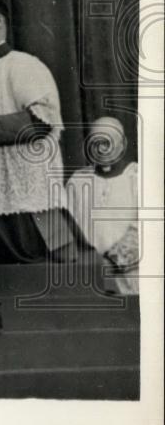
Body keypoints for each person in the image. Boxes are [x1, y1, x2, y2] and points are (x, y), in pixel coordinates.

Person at [0, 0, 90, 263]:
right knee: (2, 271)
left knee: (65, 264)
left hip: (31, 184)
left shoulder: (24, 64)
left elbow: (45, 121)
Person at [66, 117, 140, 295]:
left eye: (108, 142)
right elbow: (68, 227)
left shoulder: (138, 178)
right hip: (90, 277)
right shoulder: (77, 182)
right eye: (95, 143)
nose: (102, 150)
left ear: (122, 144)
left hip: (133, 276)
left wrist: (113, 260)